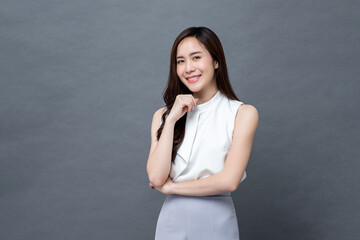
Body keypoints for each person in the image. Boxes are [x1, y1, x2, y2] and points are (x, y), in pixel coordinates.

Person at [146, 26, 259, 240]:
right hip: (172, 222)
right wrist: (170, 120)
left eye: (196, 57)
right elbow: (156, 176)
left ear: (216, 61)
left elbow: (229, 181)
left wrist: (172, 188)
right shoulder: (162, 116)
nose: (188, 68)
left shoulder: (242, 113)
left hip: (216, 222)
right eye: (180, 61)